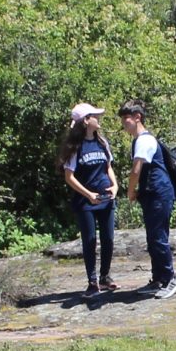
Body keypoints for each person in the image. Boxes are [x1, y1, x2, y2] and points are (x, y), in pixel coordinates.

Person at [119, 102, 176, 296]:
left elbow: (136, 169)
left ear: (137, 117)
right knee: (153, 238)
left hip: (159, 194)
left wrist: (130, 191)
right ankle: (158, 279)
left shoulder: (144, 140)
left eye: (126, 119)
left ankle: (171, 279)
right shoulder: (139, 140)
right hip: (152, 194)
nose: (123, 123)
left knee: (158, 237)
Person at [58, 104, 118, 297]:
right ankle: (92, 282)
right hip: (86, 202)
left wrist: (115, 185)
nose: (98, 119)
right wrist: (88, 195)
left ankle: (105, 277)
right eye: (94, 116)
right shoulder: (75, 147)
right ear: (85, 120)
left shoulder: (102, 143)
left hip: (106, 197)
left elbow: (108, 167)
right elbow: (69, 176)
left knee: (108, 238)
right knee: (90, 240)